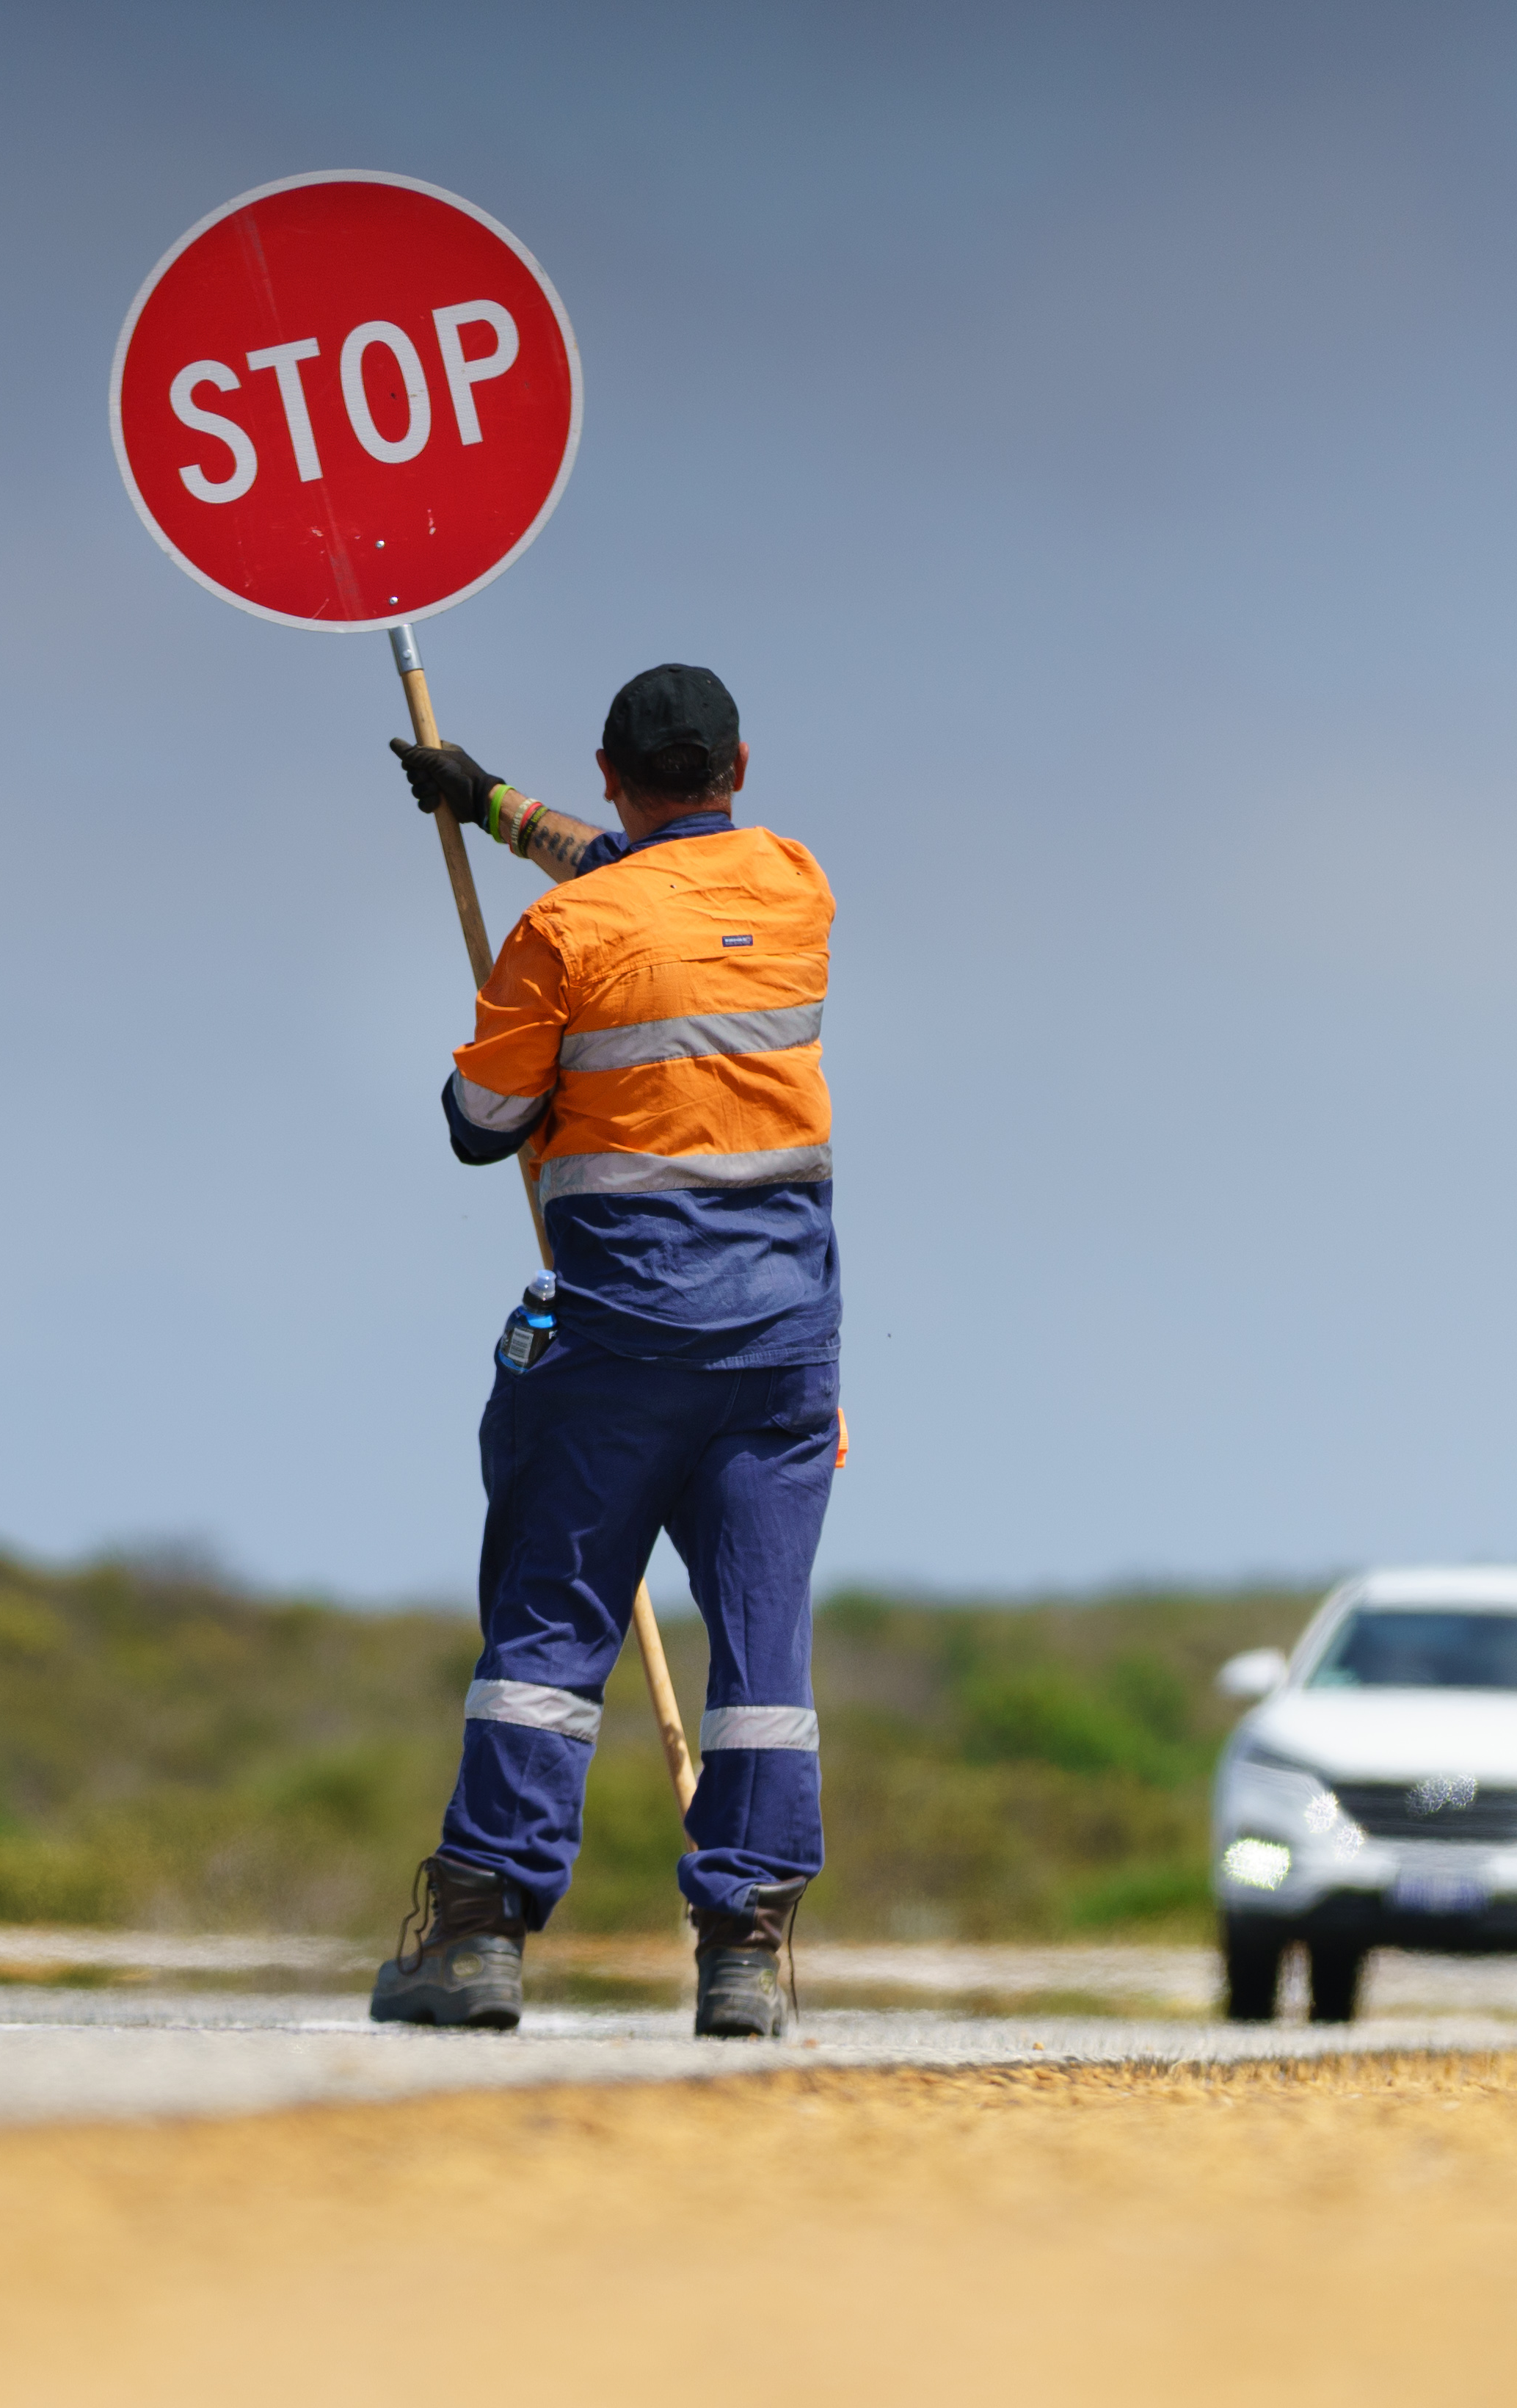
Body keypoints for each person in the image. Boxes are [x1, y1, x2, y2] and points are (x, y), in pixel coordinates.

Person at [370, 663, 840, 2039]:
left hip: (621, 1340)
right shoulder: (795, 889)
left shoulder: (560, 934)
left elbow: (480, 1119)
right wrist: (500, 806)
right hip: (783, 1357)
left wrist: (512, 845)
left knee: (547, 1625)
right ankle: (745, 1950)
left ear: (612, 767)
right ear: (739, 769)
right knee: (764, 1654)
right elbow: (656, 875)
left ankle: (479, 1938)